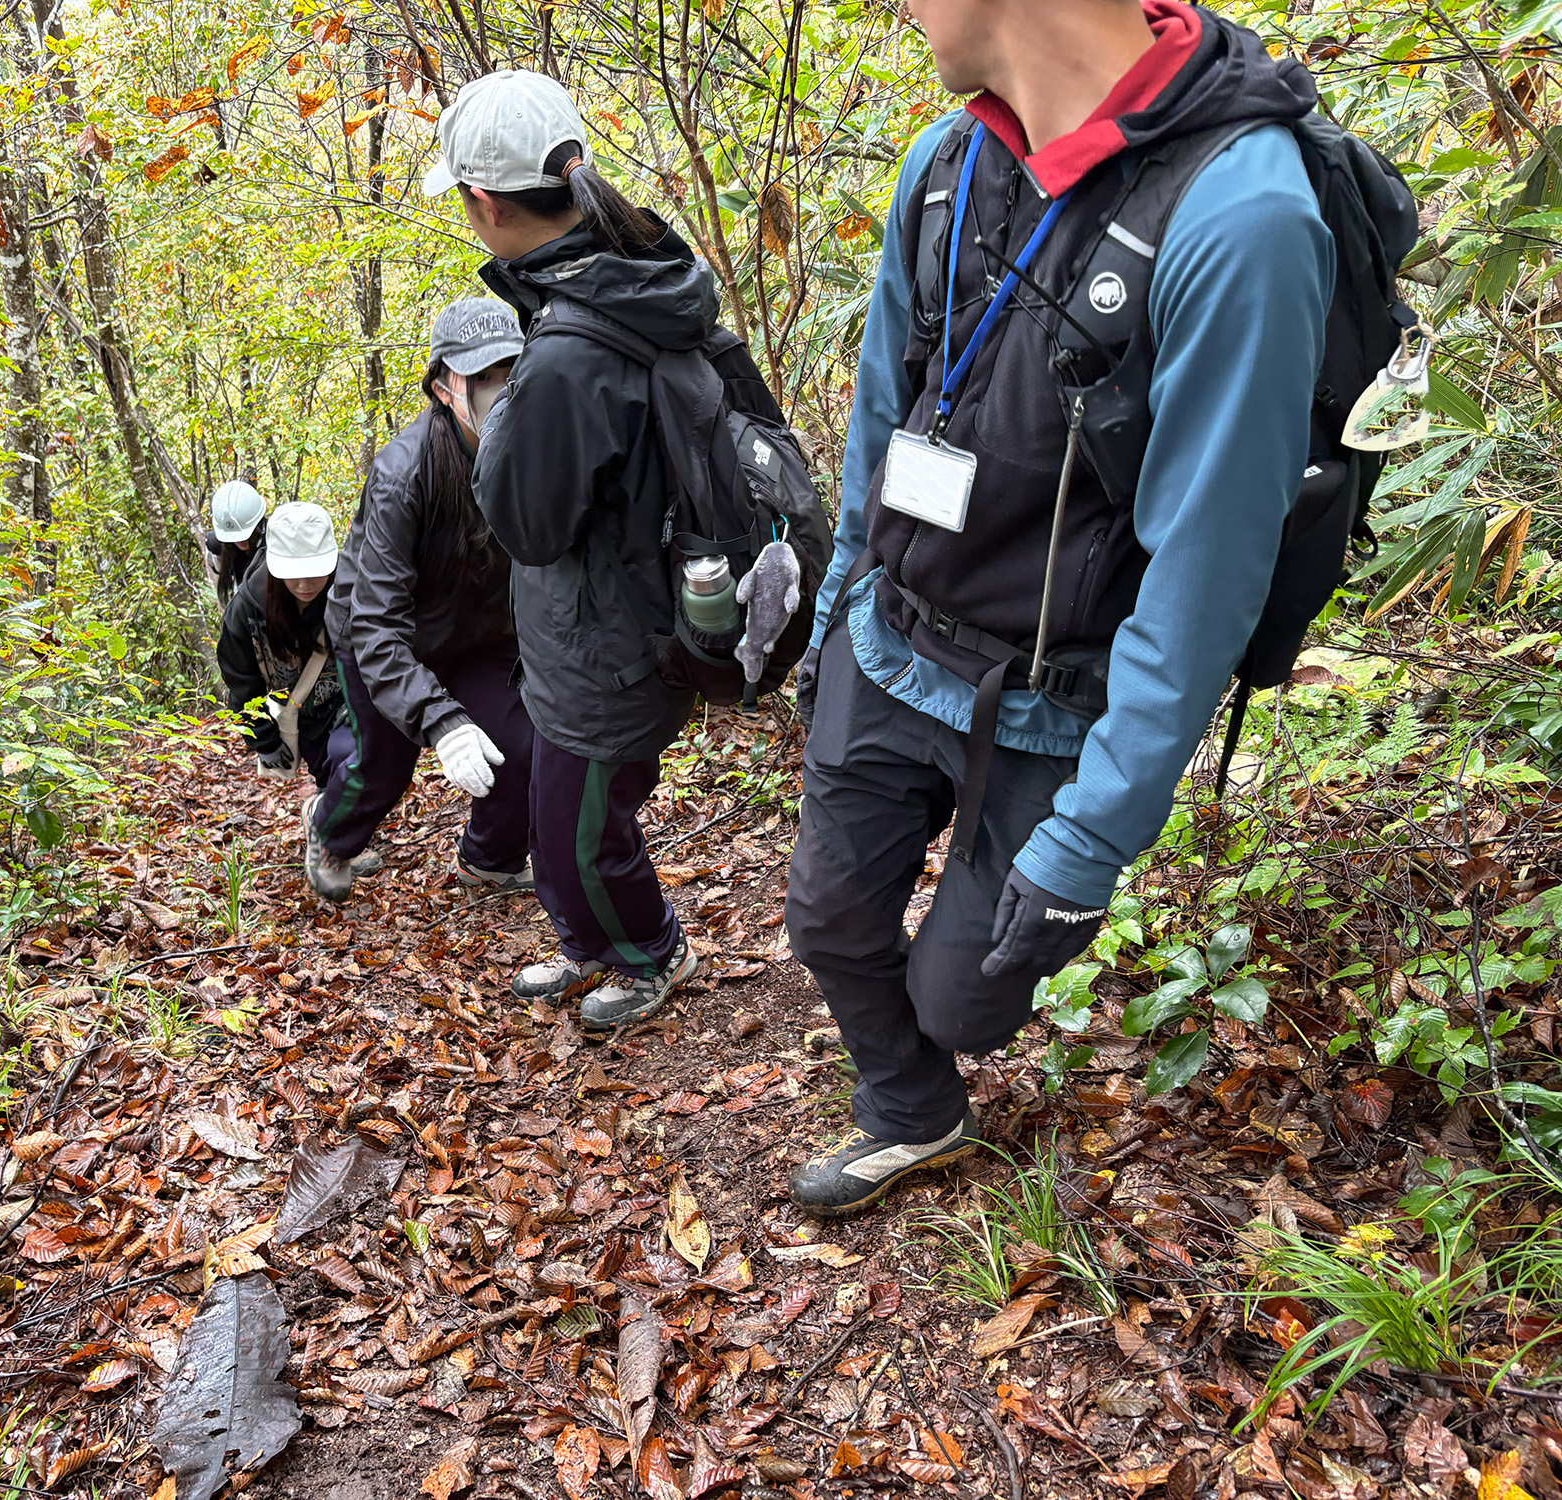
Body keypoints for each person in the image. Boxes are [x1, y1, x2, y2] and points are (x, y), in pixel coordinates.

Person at [784, 0, 1333, 1215]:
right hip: (892, 637)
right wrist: (832, 618)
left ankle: (937, 1061)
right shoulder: (946, 165)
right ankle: (910, 1115)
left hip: (1054, 703)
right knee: (826, 921)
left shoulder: (1239, 220)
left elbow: (1204, 577)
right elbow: (883, 417)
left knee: (959, 1001)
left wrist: (1089, 845)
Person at [427, 69, 747, 1033]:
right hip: (618, 616)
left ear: (484, 202)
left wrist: (496, 428)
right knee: (563, 818)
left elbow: (525, 522)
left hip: (613, 642)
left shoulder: (572, 347)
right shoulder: (628, 278)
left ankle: (648, 953)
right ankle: (592, 944)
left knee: (576, 836)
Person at [306, 297, 537, 903]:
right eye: (482, 376)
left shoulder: (535, 451)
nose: (500, 389)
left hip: (479, 633)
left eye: (510, 369)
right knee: (382, 770)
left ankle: (491, 859)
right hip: (382, 638)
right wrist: (442, 721)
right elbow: (375, 624)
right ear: (443, 388)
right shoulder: (403, 472)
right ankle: (331, 834)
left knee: (524, 743)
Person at [216, 502, 382, 883]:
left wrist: (364, 697)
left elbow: (380, 644)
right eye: (295, 575)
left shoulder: (354, 588)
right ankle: (329, 830)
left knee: (358, 758)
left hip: (348, 702)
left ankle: (329, 834)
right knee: (335, 770)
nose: (306, 585)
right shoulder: (248, 610)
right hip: (298, 712)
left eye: (315, 573)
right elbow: (242, 683)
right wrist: (263, 739)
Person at [207, 478, 268, 615]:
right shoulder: (218, 545)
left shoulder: (273, 544)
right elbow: (222, 577)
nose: (239, 541)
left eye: (245, 536)